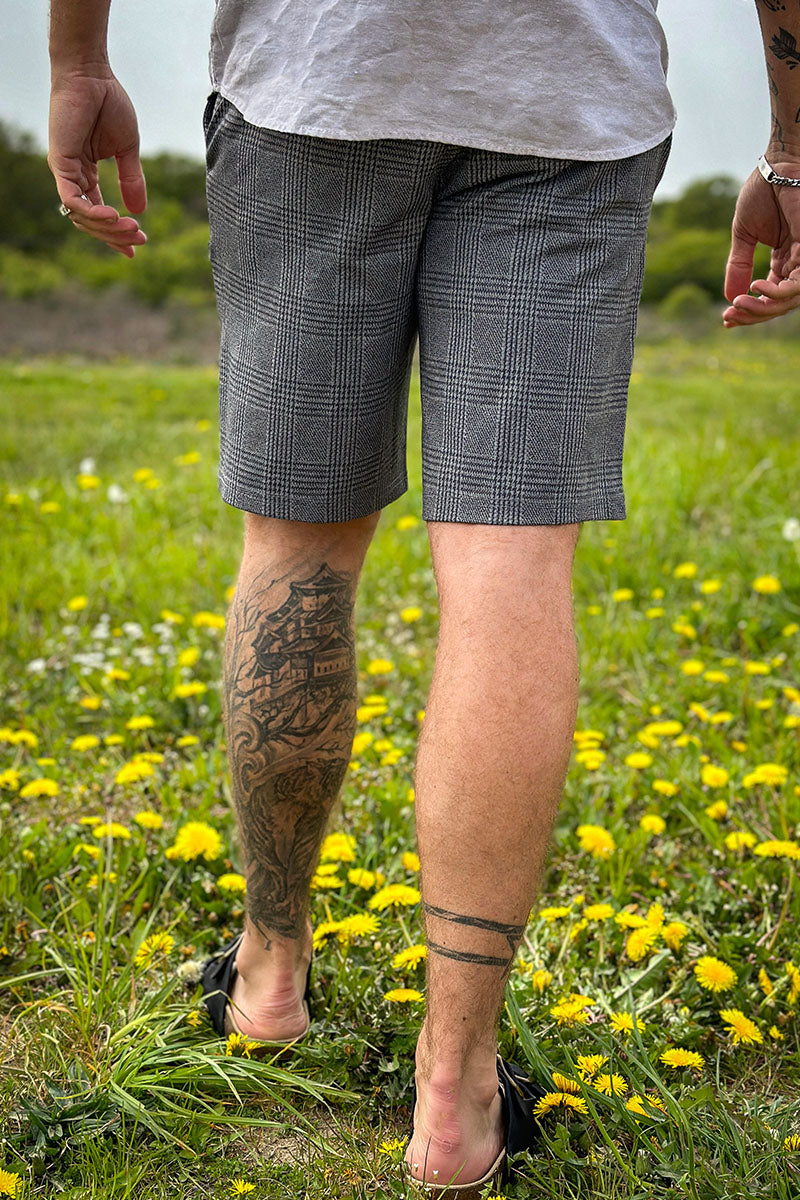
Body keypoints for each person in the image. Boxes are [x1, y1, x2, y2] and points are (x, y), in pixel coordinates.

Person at [47, 0, 800, 1191]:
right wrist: (790, 144)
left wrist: (78, 60)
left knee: (297, 543)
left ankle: (268, 975)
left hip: (316, 80)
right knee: (511, 564)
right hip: (566, 101)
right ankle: (453, 1099)